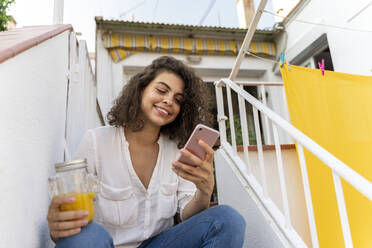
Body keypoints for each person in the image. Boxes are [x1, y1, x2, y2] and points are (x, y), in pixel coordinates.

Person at [47, 56, 246, 248]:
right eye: (161, 90)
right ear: (140, 89)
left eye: (178, 99)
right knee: (89, 235)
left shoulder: (178, 151)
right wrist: (57, 228)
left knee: (228, 219)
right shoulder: (97, 142)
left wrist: (204, 191)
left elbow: (188, 218)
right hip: (105, 244)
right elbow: (70, 216)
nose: (169, 101)